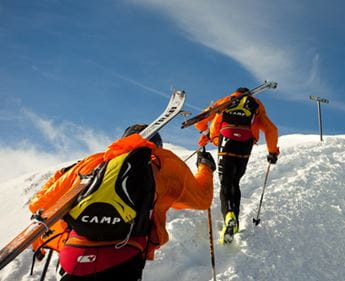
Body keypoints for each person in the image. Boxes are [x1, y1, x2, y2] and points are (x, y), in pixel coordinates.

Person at [28, 124, 216, 281]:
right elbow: (201, 199)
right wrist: (205, 167)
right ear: (157, 145)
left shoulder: (92, 163)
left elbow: (39, 205)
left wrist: (60, 175)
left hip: (74, 257)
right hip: (124, 257)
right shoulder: (164, 165)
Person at [194, 87, 279, 243]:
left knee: (225, 182)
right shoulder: (256, 106)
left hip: (226, 138)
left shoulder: (227, 101)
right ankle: (235, 220)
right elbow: (271, 129)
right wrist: (272, 152)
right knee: (235, 182)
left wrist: (206, 133)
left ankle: (228, 216)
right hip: (245, 143)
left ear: (236, 93)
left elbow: (201, 119)